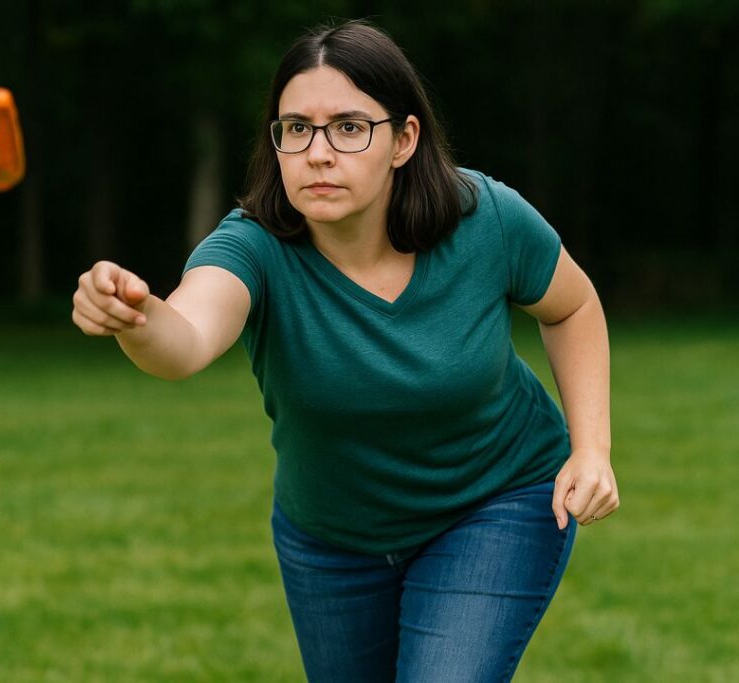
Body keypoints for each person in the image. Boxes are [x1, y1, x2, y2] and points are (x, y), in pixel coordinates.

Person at [71, 19, 619, 683]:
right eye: (295, 128)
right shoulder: (255, 247)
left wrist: (591, 448)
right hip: (331, 541)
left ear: (403, 139)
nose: (317, 152)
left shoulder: (483, 217)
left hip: (496, 500)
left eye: (348, 127)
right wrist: (136, 315)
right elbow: (183, 341)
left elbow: (573, 306)